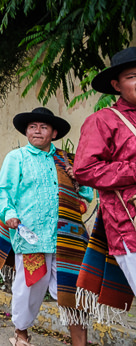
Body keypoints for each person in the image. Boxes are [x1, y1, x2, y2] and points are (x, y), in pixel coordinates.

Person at [0, 107, 93, 346]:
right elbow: (3, 190)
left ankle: (79, 341)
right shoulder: (16, 158)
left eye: (43, 127)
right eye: (32, 127)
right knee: (29, 288)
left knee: (72, 290)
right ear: (26, 131)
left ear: (54, 133)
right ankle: (21, 334)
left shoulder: (68, 160)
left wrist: (78, 182)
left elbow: (87, 193)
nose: (37, 131)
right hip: (31, 236)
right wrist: (9, 214)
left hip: (67, 237)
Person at [75, 47, 136, 295]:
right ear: (116, 85)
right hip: (129, 226)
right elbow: (85, 170)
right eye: (132, 76)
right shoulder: (103, 120)